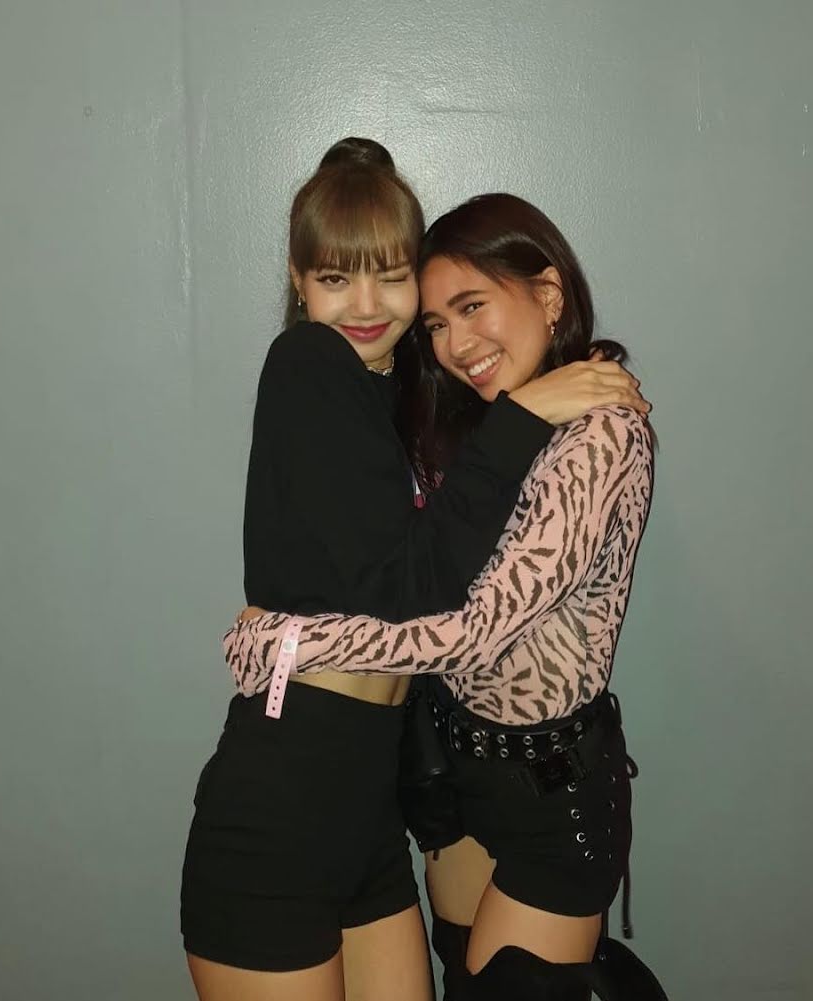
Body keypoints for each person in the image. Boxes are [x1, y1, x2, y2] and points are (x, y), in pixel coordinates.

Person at [181, 140, 648, 1001]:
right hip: (283, 799)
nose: (366, 305)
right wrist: (524, 413)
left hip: (372, 815)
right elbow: (410, 589)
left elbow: (446, 591)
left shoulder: (395, 395)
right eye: (334, 278)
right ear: (297, 282)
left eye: (392, 278)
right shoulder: (308, 362)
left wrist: (289, 637)